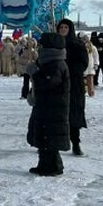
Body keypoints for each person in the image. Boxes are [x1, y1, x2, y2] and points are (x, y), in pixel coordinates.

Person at [26, 33, 70, 176]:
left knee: (49, 138)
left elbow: (47, 82)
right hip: (47, 106)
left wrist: (35, 73)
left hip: (53, 108)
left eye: (42, 45)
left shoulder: (56, 64)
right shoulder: (48, 62)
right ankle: (45, 164)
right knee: (45, 137)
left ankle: (52, 166)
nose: (39, 48)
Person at [57, 19, 89, 155]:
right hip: (56, 83)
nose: (63, 29)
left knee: (73, 114)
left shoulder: (77, 44)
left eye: (66, 27)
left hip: (74, 84)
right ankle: (53, 143)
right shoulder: (54, 43)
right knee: (56, 115)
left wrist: (69, 70)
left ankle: (75, 143)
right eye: (61, 27)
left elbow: (84, 63)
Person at [81, 33, 99, 97]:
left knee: (90, 81)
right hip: (83, 66)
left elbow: (96, 56)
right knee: (83, 81)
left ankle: (91, 92)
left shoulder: (92, 47)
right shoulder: (80, 47)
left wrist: (96, 63)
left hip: (90, 66)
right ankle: (83, 91)